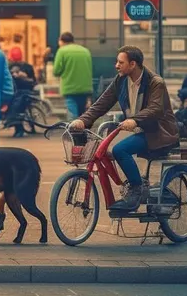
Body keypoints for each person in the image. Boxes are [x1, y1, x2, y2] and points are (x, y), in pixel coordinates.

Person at [70, 46, 179, 211]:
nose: (116, 65)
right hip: (136, 128)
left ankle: (137, 189)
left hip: (157, 131)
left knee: (120, 150)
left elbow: (155, 109)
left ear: (133, 64)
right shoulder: (121, 80)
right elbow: (102, 103)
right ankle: (133, 182)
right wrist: (82, 121)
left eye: (120, 62)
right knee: (104, 149)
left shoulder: (155, 82)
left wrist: (134, 120)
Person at [52, 32, 93, 119]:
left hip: (70, 88)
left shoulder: (62, 51)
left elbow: (56, 71)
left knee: (73, 116)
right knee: (83, 116)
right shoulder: (85, 51)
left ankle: (74, 132)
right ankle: (83, 132)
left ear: (61, 41)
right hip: (85, 87)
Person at [6, 47, 36, 138]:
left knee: (15, 103)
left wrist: (23, 77)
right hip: (24, 92)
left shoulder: (9, 67)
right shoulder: (28, 66)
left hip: (19, 92)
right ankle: (16, 125)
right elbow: (34, 81)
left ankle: (16, 126)